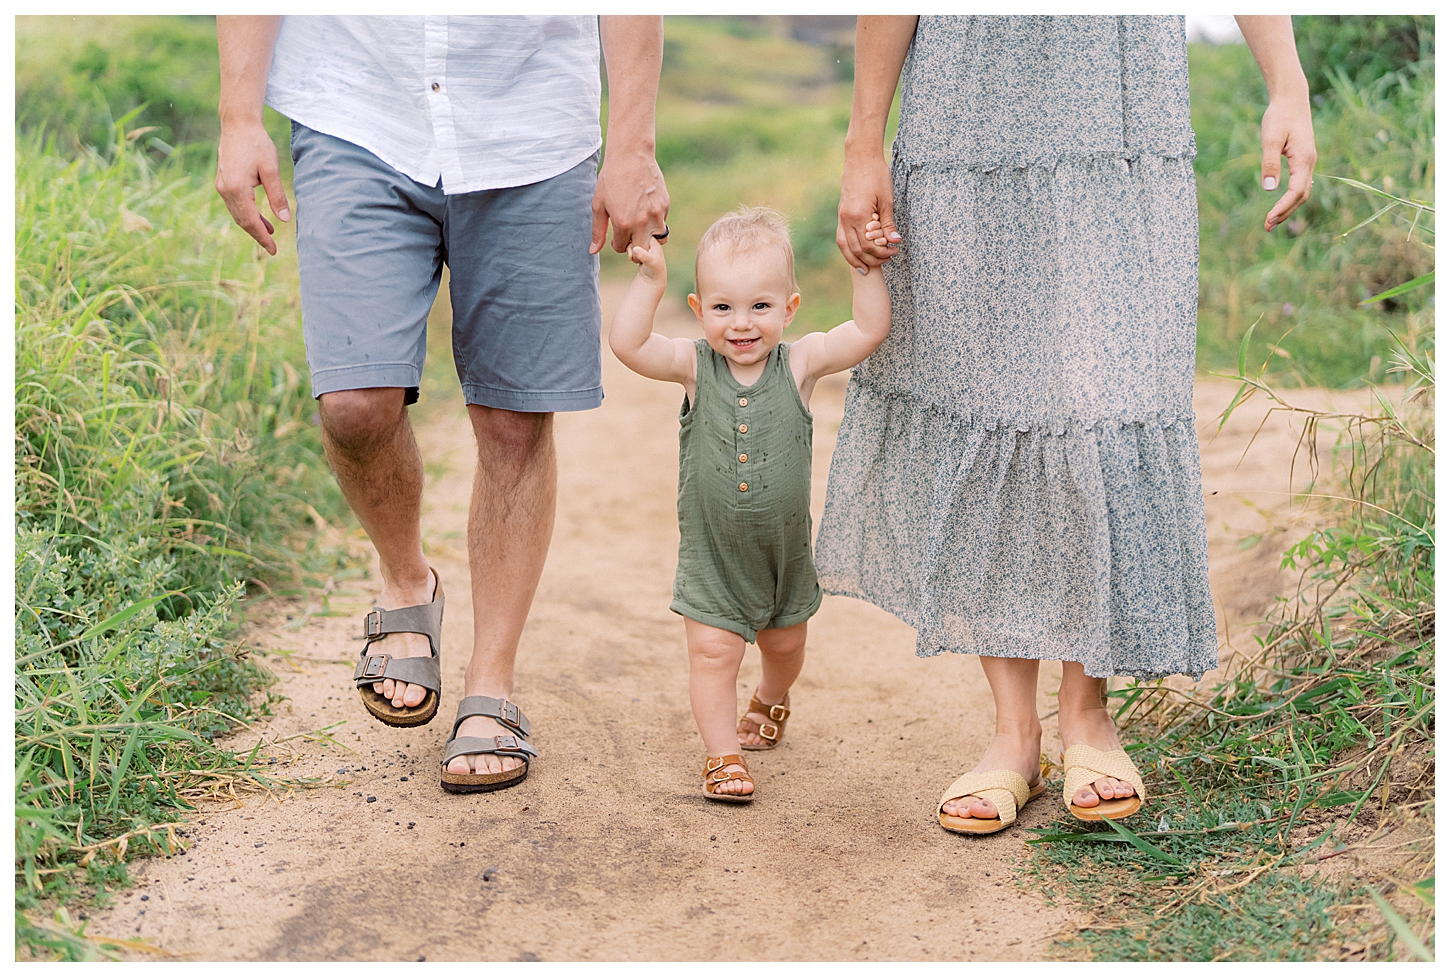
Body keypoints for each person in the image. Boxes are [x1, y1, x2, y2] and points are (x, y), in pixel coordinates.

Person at [822, 15, 1316, 833]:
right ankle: (1014, 731)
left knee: (1108, 394)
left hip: (1119, 110)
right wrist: (863, 140)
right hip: (967, 109)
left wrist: (1287, 83)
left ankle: (1087, 710)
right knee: (986, 390)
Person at [214, 15, 670, 793]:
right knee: (355, 402)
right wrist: (238, 116)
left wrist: (632, 143)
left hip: (531, 124)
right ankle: (405, 582)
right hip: (355, 104)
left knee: (514, 419)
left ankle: (490, 683)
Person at [608, 207, 890, 801]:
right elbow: (628, 344)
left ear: (789, 308)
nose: (741, 324)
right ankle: (723, 756)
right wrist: (648, 282)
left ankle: (770, 696)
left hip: (783, 555)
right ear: (698, 309)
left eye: (760, 307)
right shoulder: (693, 367)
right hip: (712, 556)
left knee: (785, 647)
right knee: (712, 653)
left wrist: (864, 269)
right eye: (722, 308)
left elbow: (867, 332)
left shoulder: (801, 364)